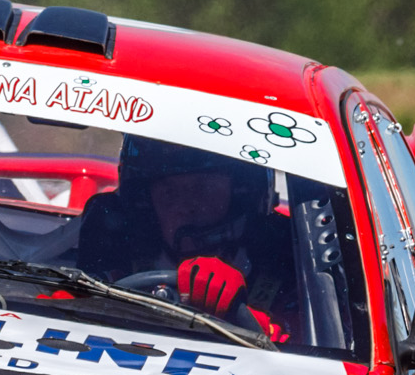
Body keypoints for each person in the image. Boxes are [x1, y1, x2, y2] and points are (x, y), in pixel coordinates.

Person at [77, 138, 297, 342]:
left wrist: (253, 320)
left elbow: (302, 346)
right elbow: (73, 303)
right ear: (147, 203)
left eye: (202, 189)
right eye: (169, 193)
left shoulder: (287, 262)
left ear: (241, 195)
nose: (185, 207)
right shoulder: (122, 256)